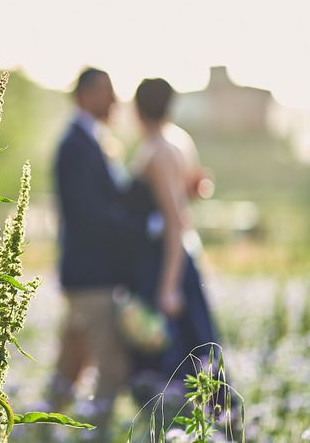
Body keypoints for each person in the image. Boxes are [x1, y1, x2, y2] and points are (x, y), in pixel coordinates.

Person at [49, 68, 160, 436]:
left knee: (71, 365)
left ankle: (37, 429)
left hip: (87, 274)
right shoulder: (76, 144)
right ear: (86, 95)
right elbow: (91, 214)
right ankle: (96, 433)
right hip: (90, 275)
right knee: (111, 365)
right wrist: (144, 228)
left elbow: (114, 199)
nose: (114, 101)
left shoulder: (91, 140)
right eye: (107, 93)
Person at [125, 78, 218, 401]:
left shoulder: (158, 150)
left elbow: (175, 219)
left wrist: (168, 287)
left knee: (171, 357)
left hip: (165, 262)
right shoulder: (181, 141)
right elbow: (195, 190)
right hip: (179, 256)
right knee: (197, 352)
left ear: (137, 109)